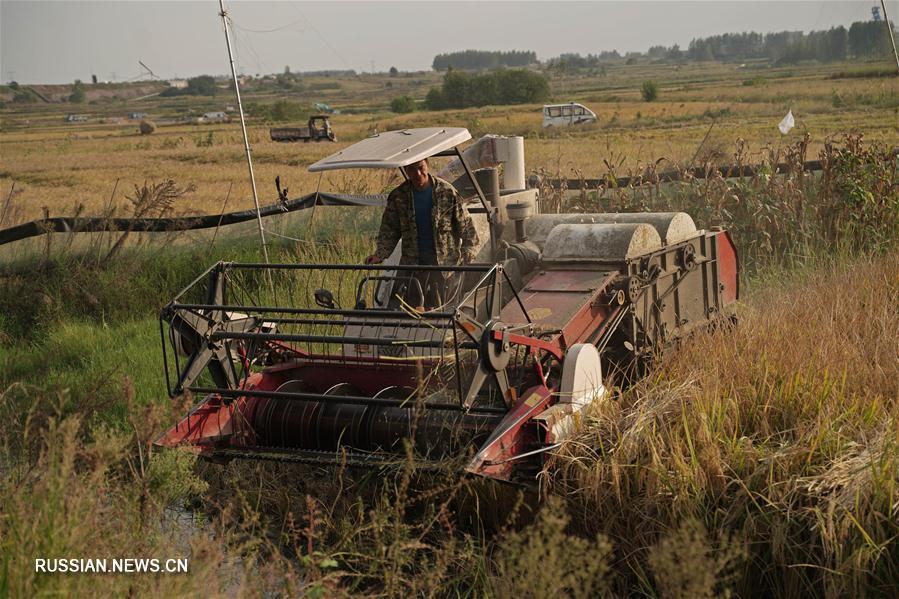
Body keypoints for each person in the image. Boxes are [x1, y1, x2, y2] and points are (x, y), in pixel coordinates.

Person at [365, 158, 479, 309]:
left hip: (444, 267)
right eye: (411, 169)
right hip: (413, 267)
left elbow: (466, 227)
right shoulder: (399, 197)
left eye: (420, 167)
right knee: (413, 312)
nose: (418, 174)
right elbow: (389, 230)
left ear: (427, 165)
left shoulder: (447, 192)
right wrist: (380, 254)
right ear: (406, 171)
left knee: (445, 313)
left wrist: (469, 250)